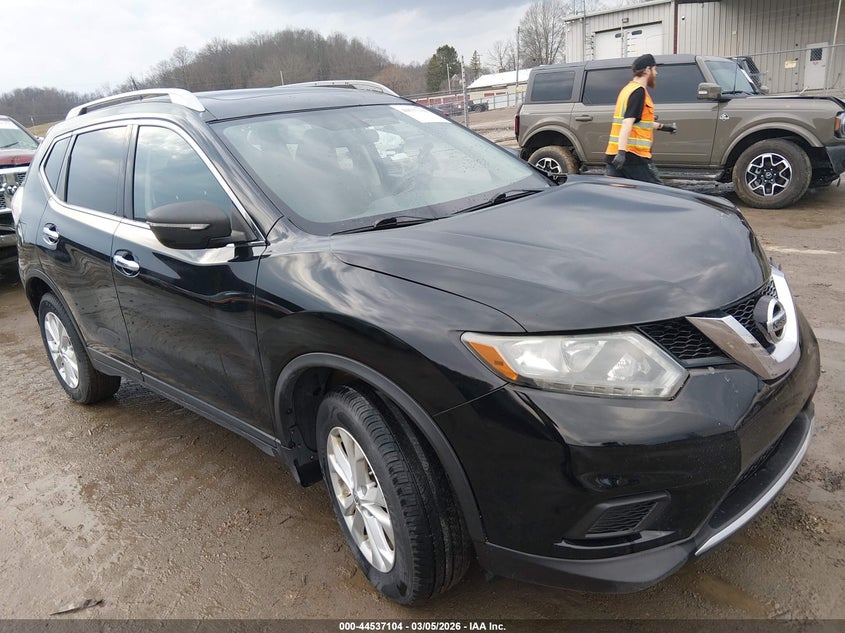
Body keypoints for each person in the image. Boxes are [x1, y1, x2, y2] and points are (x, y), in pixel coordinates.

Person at [605, 53, 677, 184]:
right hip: (632, 156)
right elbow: (627, 123)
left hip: (615, 155)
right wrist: (622, 153)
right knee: (656, 193)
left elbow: (639, 122)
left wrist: (663, 127)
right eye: (655, 70)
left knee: (617, 197)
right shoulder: (639, 92)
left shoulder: (627, 89)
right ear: (647, 70)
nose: (656, 73)